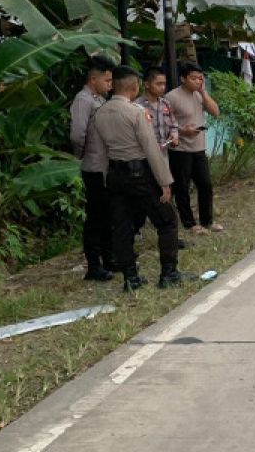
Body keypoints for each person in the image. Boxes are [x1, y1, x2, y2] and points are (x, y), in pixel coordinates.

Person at [85, 67, 183, 291]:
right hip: (140, 173)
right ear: (134, 87)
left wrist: (103, 180)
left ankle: (131, 278)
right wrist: (164, 183)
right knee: (167, 220)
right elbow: (151, 149)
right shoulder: (135, 112)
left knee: (122, 228)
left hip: (115, 175)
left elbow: (100, 153)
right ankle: (169, 272)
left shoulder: (100, 113)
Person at [70, 57, 114, 281]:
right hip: (93, 166)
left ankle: (109, 258)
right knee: (96, 217)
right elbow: (78, 134)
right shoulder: (83, 100)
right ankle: (93, 265)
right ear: (93, 78)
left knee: (106, 215)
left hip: (104, 166)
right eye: (106, 80)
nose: (110, 84)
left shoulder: (99, 99)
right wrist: (83, 154)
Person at [165, 63, 222, 235]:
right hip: (180, 149)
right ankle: (189, 223)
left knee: (205, 184)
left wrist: (203, 92)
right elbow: (164, 124)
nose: (197, 81)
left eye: (200, 78)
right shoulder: (172, 97)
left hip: (199, 148)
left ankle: (207, 221)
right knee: (182, 187)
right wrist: (182, 131)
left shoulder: (199, 95)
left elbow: (215, 112)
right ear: (183, 78)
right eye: (193, 78)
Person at [140, 68, 179, 155]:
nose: (163, 87)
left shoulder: (165, 103)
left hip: (164, 152)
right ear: (147, 84)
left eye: (164, 84)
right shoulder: (138, 106)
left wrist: (174, 135)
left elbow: (174, 124)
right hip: (145, 154)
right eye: (158, 84)